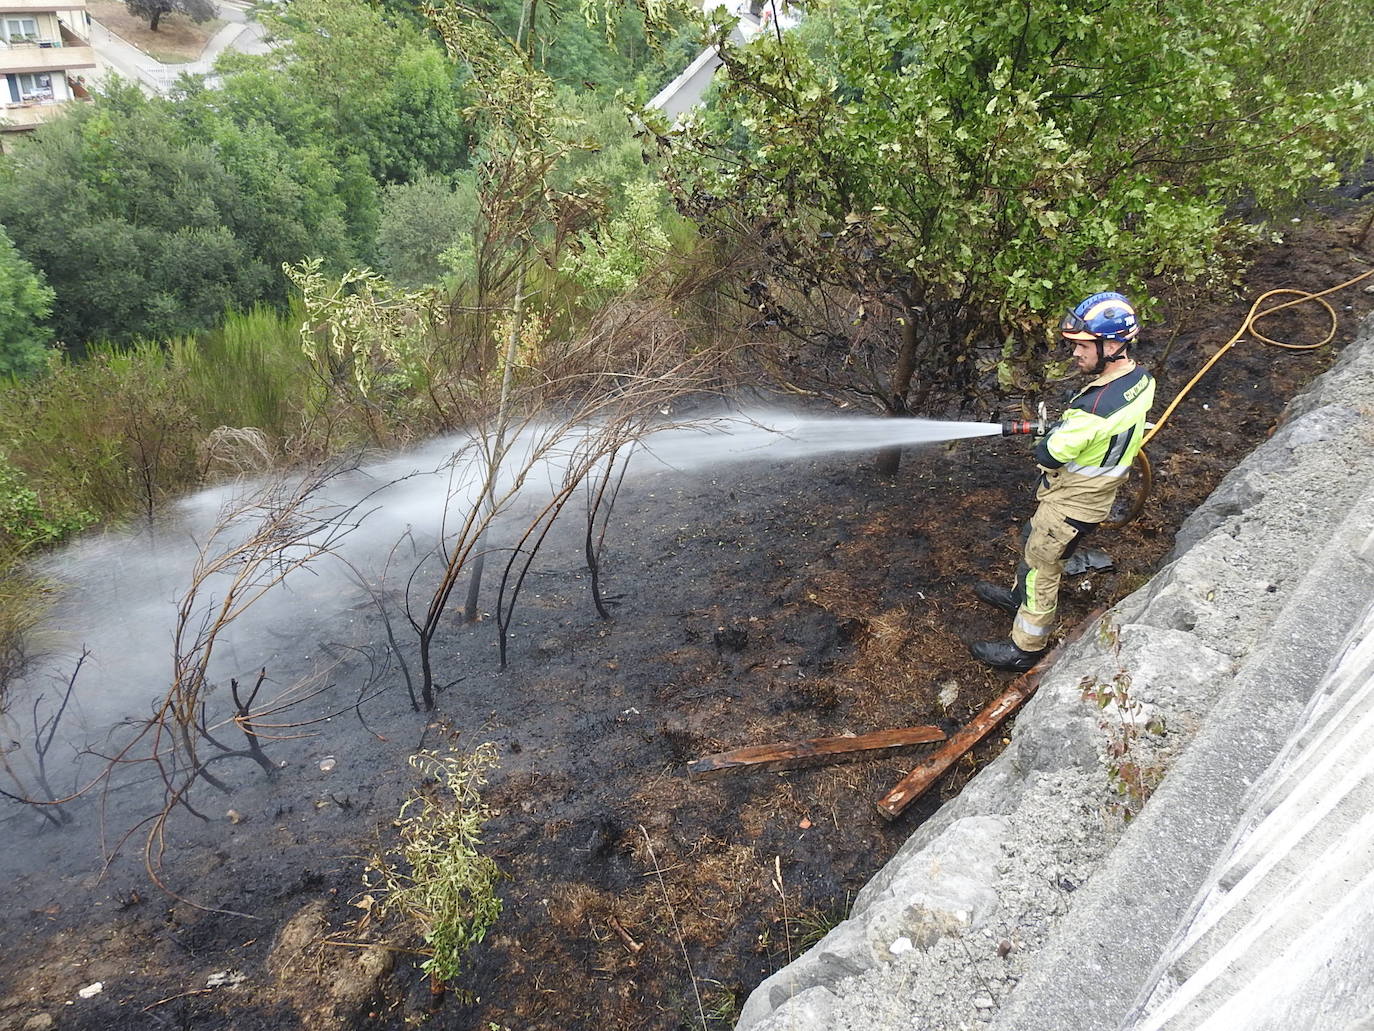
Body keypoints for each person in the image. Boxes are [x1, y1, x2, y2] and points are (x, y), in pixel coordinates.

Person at [970, 291, 1156, 672]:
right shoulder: (1140, 380)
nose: (1075, 353)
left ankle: (1025, 647)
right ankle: (1018, 597)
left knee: (1042, 567)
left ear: (1111, 346)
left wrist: (1055, 435)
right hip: (1092, 497)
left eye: (1083, 346)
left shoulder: (1094, 409)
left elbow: (1049, 455)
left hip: (1071, 505)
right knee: (1032, 539)